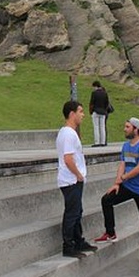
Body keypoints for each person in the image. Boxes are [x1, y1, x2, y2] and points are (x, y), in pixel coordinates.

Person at [93, 117, 139, 248]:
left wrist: (123, 178)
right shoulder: (126, 146)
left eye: (127, 127)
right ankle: (110, 233)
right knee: (107, 200)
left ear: (136, 129)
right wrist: (117, 183)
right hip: (129, 186)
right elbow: (122, 164)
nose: (124, 129)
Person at [56, 100, 97, 258]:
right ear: (72, 114)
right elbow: (68, 158)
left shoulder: (69, 133)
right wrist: (78, 175)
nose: (83, 115)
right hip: (71, 180)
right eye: (80, 111)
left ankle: (78, 240)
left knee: (77, 211)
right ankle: (68, 245)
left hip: (73, 179)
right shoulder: (67, 133)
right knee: (72, 213)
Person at [89, 80, 111, 147]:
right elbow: (107, 103)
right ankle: (103, 142)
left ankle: (97, 142)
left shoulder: (94, 93)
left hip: (96, 111)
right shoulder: (105, 93)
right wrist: (104, 109)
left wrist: (91, 111)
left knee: (96, 127)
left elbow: (92, 103)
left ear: (95, 86)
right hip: (103, 112)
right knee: (102, 127)